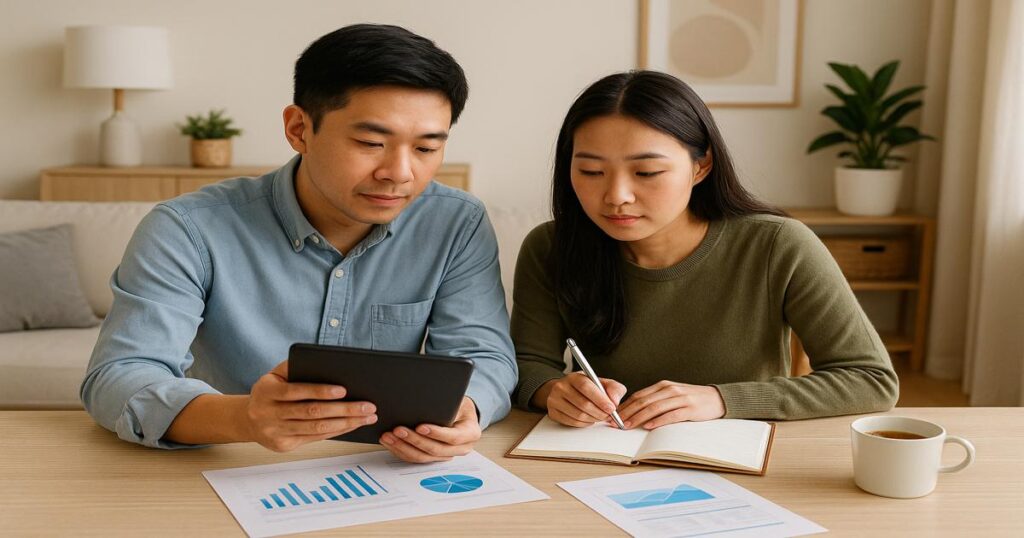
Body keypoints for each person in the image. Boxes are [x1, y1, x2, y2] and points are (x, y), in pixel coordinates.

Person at [81, 24, 517, 462]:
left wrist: (467, 408)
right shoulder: (188, 228)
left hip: (383, 469)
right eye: (371, 142)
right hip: (223, 464)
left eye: (426, 149)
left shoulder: (456, 223)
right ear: (298, 129)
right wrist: (242, 419)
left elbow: (484, 356)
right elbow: (120, 375)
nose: (400, 173)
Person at [512, 71, 898, 429]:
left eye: (646, 172)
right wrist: (553, 391)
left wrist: (720, 399)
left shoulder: (778, 244)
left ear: (701, 166)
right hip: (604, 459)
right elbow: (527, 366)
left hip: (738, 461)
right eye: (591, 172)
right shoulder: (550, 248)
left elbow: (871, 379)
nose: (616, 196)